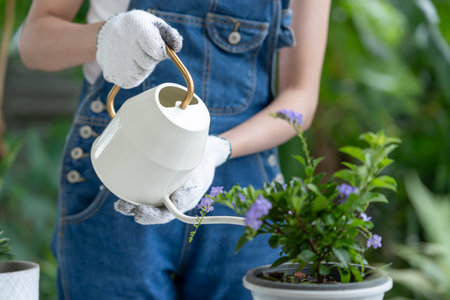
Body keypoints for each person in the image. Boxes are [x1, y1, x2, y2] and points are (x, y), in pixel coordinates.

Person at [19, 0, 330, 299]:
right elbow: (34, 44)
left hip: (239, 191)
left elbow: (299, 96)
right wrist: (105, 35)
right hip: (118, 178)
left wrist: (215, 151)